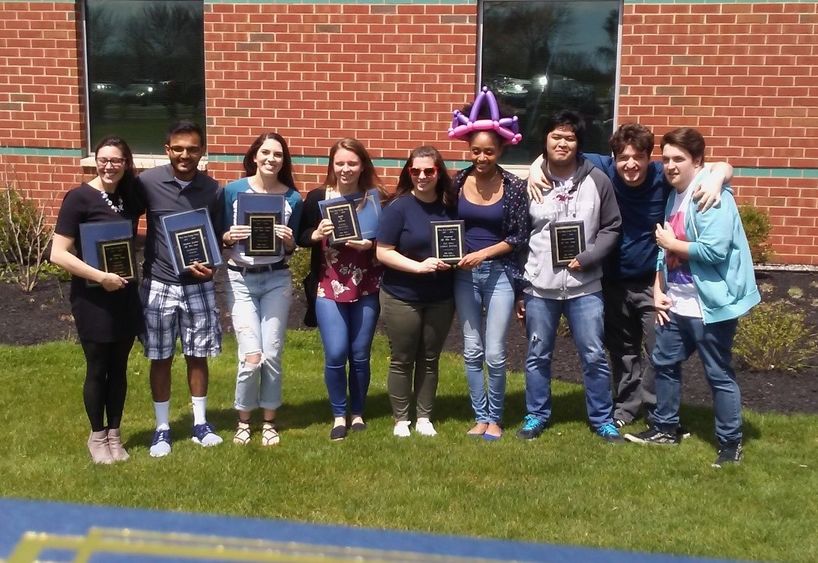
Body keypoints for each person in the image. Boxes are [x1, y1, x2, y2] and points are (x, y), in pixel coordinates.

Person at [528, 123, 733, 429]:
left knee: (658, 351)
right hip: (611, 280)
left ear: (650, 158)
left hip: (653, 282)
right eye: (623, 157)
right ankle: (625, 407)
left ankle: (658, 412)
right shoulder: (603, 169)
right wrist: (534, 168)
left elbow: (719, 166)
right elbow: (560, 150)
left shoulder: (662, 179)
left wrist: (718, 177)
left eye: (638, 156)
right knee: (622, 350)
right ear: (614, 159)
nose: (631, 164)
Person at [625, 128, 760, 468]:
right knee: (665, 363)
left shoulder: (711, 195)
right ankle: (665, 428)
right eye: (666, 159)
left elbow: (714, 251)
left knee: (717, 373)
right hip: (677, 302)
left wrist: (673, 246)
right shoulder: (676, 195)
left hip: (709, 306)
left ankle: (730, 444)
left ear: (697, 161)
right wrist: (658, 288)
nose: (670, 166)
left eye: (678, 159)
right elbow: (664, 244)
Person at [515, 110, 624, 443]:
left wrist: (589, 257)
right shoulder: (530, 183)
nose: (562, 143)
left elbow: (612, 226)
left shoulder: (597, 180)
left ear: (579, 144)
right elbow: (521, 236)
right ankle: (536, 415)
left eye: (570, 137)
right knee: (537, 355)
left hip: (584, 287)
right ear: (545, 140)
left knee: (593, 354)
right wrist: (522, 288)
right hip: (540, 287)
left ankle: (602, 418)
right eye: (556, 136)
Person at [129, 121, 224, 457]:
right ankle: (162, 428)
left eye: (193, 149)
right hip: (159, 283)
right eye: (178, 148)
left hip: (198, 286)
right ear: (167, 149)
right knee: (161, 357)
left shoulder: (213, 189)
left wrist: (212, 265)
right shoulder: (147, 182)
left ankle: (200, 424)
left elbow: (216, 237)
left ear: (202, 151)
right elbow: (125, 214)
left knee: (198, 355)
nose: (185, 155)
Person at [50, 135, 144, 464]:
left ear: (126, 164)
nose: (109, 166)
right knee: (98, 366)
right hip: (93, 298)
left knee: (119, 367)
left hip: (125, 294)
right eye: (103, 159)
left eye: (116, 160)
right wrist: (99, 277)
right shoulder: (79, 198)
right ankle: (96, 435)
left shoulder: (130, 196)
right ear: (95, 160)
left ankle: (115, 435)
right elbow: (58, 254)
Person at [449, 97, 529, 441]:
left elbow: (518, 236)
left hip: (499, 273)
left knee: (495, 350)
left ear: (500, 151)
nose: (482, 158)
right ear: (469, 149)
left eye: (489, 152)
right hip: (463, 274)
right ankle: (479, 417)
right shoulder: (455, 182)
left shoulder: (513, 187)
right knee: (471, 348)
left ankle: (496, 418)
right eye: (476, 151)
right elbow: (444, 226)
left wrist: (483, 254)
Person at [297, 138, 384, 441]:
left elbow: (387, 242)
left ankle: (357, 412)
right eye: (340, 163)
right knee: (335, 353)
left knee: (359, 354)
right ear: (332, 165)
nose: (346, 169)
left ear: (363, 166)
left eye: (352, 163)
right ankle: (338, 414)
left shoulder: (375, 199)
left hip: (366, 284)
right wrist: (315, 233)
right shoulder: (317, 197)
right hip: (328, 284)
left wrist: (370, 244)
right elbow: (300, 236)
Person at [222, 132, 303, 446]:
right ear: (254, 156)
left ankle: (269, 421)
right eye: (266, 153)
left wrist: (290, 240)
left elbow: (294, 246)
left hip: (276, 280)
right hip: (239, 278)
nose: (271, 159)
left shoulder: (292, 198)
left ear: (284, 161)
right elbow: (219, 235)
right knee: (251, 355)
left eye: (278, 155)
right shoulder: (232, 191)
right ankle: (244, 420)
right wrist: (230, 236)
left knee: (271, 353)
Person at [376, 146, 458, 438]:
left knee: (430, 357)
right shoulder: (398, 208)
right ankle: (401, 418)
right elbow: (383, 252)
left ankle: (424, 417)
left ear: (439, 172)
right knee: (403, 357)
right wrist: (418, 267)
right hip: (402, 294)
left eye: (429, 171)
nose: (422, 176)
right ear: (408, 172)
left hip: (440, 296)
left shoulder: (450, 204)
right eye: (415, 171)